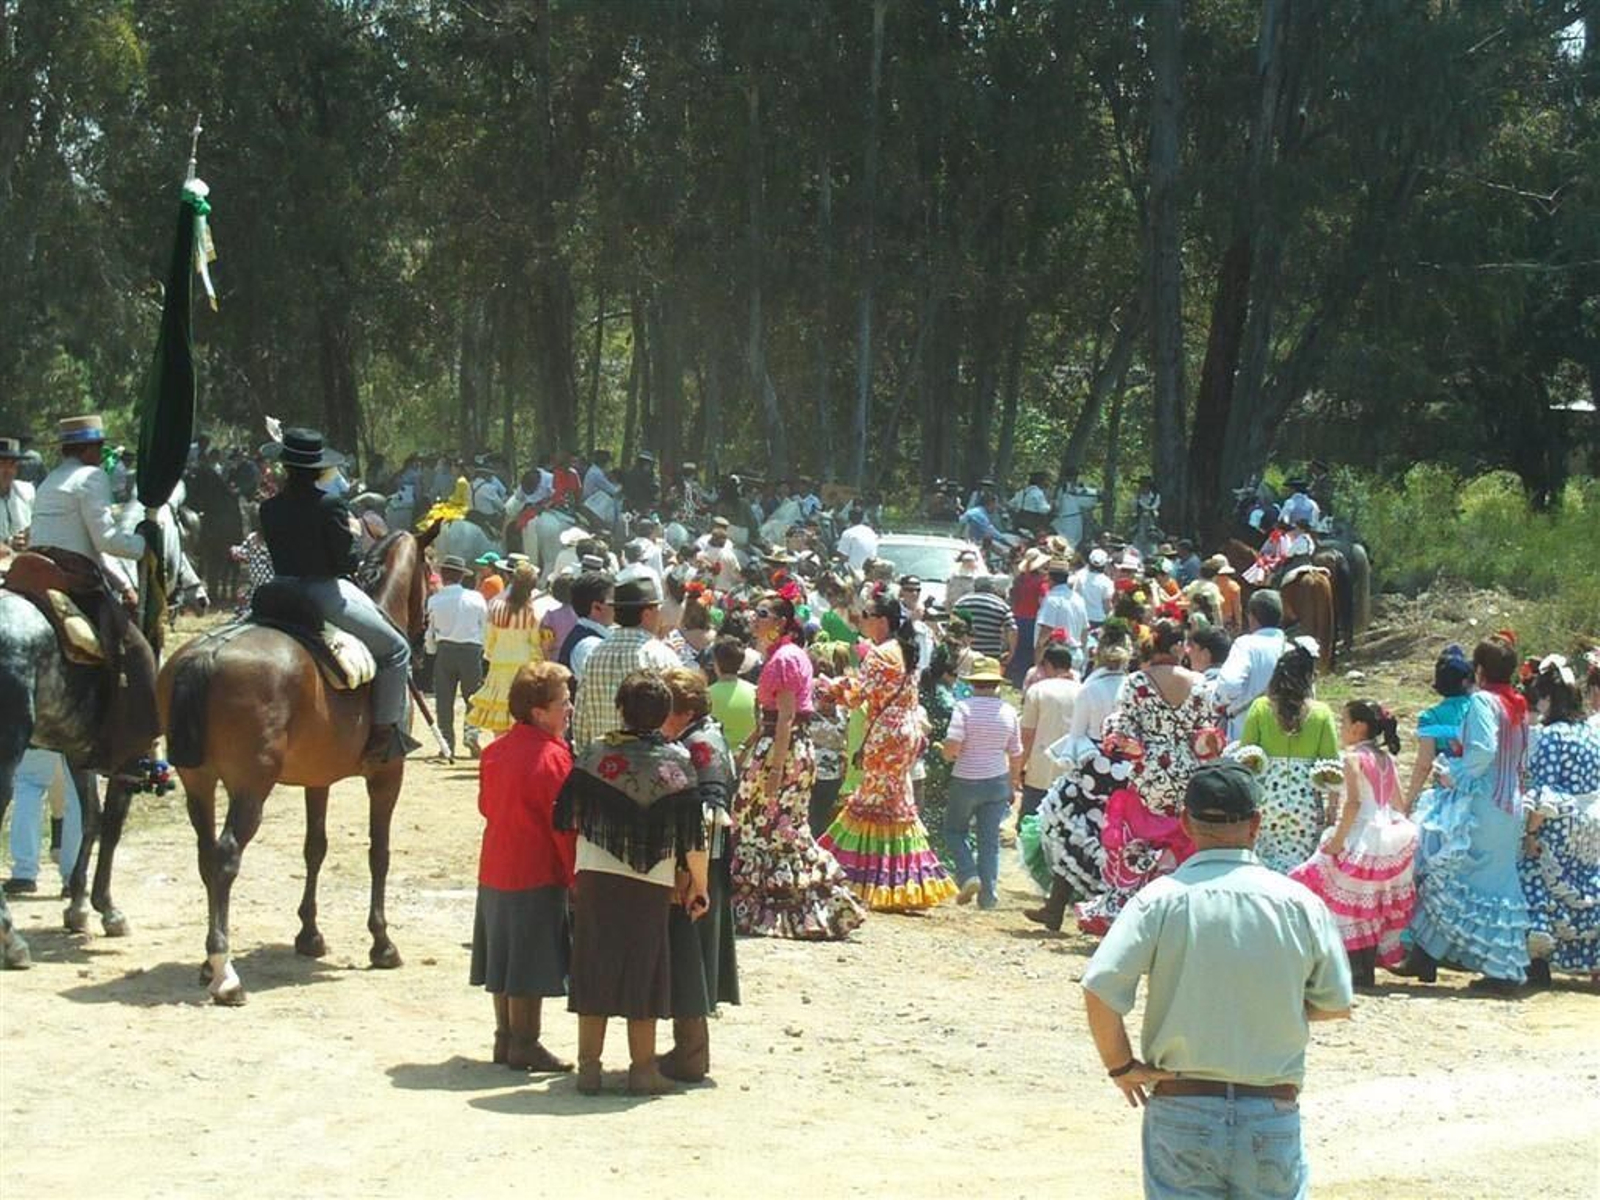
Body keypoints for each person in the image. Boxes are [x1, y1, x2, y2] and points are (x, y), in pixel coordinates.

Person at [1082, 760, 1352, 1200]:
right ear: (1256, 824)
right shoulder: (1300, 904)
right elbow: (1337, 1003)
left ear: (1185, 822)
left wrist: (1122, 1066)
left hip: (1182, 1105)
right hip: (1270, 1109)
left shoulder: (1160, 900)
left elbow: (1099, 989)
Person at [556, 671, 704, 1095]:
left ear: (620, 708)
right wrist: (698, 884)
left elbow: (570, 815)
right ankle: (642, 1070)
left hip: (596, 873)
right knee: (645, 967)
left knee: (593, 963)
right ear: (662, 715)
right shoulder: (677, 763)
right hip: (652, 880)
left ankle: (589, 1069)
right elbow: (693, 835)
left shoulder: (594, 754)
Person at [26, 414, 161, 766]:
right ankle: (134, 742)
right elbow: (105, 541)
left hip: (38, 572)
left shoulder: (49, 481)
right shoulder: (91, 478)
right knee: (138, 651)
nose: (102, 455)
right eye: (99, 448)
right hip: (76, 581)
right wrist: (144, 543)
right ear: (88, 448)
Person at [731, 594, 865, 939]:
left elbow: (787, 716)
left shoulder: (786, 658)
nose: (754, 619)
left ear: (780, 622)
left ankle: (795, 909)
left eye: (762, 614)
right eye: (754, 612)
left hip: (783, 752)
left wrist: (774, 769)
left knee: (775, 828)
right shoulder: (782, 655)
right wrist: (747, 747)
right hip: (781, 747)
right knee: (768, 826)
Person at [1402, 634, 1531, 993]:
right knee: (1496, 882)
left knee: (1441, 868)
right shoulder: (1518, 705)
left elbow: (1481, 751)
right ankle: (1488, 963)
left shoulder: (1483, 703)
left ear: (1479, 670)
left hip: (1483, 804)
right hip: (1511, 805)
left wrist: (1453, 774)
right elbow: (1523, 759)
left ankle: (1428, 952)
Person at [1075, 619, 1221, 935]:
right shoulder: (1200, 683)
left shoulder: (1136, 682)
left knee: (1142, 837)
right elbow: (1207, 732)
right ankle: (1181, 911)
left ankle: (1136, 908)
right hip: (1189, 771)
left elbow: (1123, 731)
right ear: (1175, 646)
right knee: (1182, 836)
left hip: (1147, 771)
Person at [470, 662, 577, 1074]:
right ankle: (526, 1042)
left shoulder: (495, 750)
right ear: (538, 711)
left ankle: (505, 1037)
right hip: (535, 869)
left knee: (502, 955)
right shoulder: (554, 759)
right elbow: (563, 827)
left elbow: (485, 806)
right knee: (528, 960)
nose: (568, 710)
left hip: (495, 865)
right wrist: (574, 877)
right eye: (562, 703)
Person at [820, 589, 956, 913]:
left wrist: (830, 687)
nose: (861, 621)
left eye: (866, 615)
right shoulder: (903, 650)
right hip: (906, 733)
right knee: (895, 805)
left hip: (886, 737)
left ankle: (855, 875)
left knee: (871, 803)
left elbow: (857, 696)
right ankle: (904, 883)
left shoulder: (880, 654)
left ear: (881, 621)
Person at [1290, 700, 1418, 986]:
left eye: (1344, 723)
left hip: (1360, 834)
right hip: (1388, 834)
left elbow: (1354, 804)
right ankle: (1366, 969)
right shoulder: (1386, 760)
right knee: (1370, 904)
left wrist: (1337, 840)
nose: (1342, 729)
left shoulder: (1352, 758)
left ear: (1359, 727)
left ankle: (1350, 967)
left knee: (1338, 898)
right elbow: (1397, 802)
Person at [656, 667, 740, 1083]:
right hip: (707, 863)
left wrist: (694, 877)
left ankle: (690, 1054)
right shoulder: (706, 736)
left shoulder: (700, 745)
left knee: (690, 955)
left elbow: (710, 814)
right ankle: (688, 1049)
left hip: (702, 864)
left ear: (685, 710)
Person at [1517, 656, 1600, 985]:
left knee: (1537, 881)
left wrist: (1531, 832)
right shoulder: (1592, 734)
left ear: (1549, 699)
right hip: (1592, 821)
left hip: (1559, 820)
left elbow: (1545, 792)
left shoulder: (1550, 737)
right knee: (1586, 885)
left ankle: (1538, 962)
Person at [1238, 639, 1342, 873]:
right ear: (1309, 677)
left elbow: (1245, 758)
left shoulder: (1260, 708)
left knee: (1264, 867)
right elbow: (1332, 766)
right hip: (1305, 802)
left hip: (1266, 800)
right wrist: (1332, 811)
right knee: (1301, 868)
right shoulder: (1321, 713)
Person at [938, 657, 1022, 909]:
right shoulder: (1008, 712)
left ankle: (968, 873)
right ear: (996, 684)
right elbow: (1016, 753)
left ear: (973, 683)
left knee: (953, 831)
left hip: (966, 778)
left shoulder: (963, 708)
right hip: (997, 779)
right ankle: (988, 896)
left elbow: (953, 747)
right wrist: (1012, 784)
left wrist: (944, 754)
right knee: (989, 841)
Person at [570, 577, 679, 750]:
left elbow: (581, 719)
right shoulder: (661, 656)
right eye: (657, 608)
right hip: (648, 762)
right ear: (647, 613)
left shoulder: (594, 655)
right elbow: (676, 715)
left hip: (604, 764)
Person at [467, 562, 543, 739]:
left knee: (500, 711)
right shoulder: (531, 611)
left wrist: (492, 655)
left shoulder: (497, 606)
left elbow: (489, 638)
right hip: (524, 664)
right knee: (522, 709)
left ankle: (500, 748)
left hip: (499, 663)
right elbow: (535, 642)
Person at [426, 554, 489, 760]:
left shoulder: (435, 600)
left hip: (445, 649)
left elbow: (430, 631)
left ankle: (447, 743)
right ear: (462, 576)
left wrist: (431, 651)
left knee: (444, 699)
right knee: (473, 697)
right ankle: (471, 735)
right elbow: (484, 627)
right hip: (471, 650)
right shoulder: (476, 598)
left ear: (443, 576)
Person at [1402, 644, 1474, 810]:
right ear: (1466, 680)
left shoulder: (1431, 718)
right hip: (1480, 791)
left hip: (1447, 795)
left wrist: (1408, 801)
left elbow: (1424, 765)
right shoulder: (1480, 710)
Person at [1018, 642, 1080, 826]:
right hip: (1070, 773)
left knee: (1030, 829)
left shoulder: (1038, 690)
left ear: (1048, 665)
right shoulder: (1084, 691)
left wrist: (1017, 769)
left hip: (1039, 772)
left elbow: (1027, 735)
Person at [1213, 589, 1288, 741]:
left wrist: (1217, 702)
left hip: (1246, 734)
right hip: (1283, 736)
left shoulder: (1245, 644)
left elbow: (1229, 684)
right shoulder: (1292, 649)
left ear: (1252, 617)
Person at [708, 636, 758, 753]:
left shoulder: (707, 695)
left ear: (716, 663)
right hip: (747, 759)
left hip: (718, 759)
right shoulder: (755, 692)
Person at [557, 570, 614, 673]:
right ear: (596, 607)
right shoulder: (589, 646)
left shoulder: (589, 635)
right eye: (614, 601)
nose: (619, 605)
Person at [1035, 557, 1088, 666]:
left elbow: (1045, 632)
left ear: (1050, 577)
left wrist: (1037, 662)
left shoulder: (1052, 599)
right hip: (1076, 653)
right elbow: (1084, 630)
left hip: (1057, 658)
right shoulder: (1078, 598)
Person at [952, 574, 1016, 664]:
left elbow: (953, 629)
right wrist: (1011, 653)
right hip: (991, 657)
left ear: (974, 587)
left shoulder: (961, 603)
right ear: (992, 588)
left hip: (965, 655)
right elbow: (1012, 630)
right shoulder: (1001, 605)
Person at [1007, 548, 1047, 687]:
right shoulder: (1041, 582)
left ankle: (1015, 678)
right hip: (1033, 619)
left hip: (1017, 617)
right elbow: (1043, 601)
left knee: (1017, 649)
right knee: (1029, 651)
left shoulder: (1019, 579)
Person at [0, 435, 35, 552]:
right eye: (2, 463)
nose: (8, 470)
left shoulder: (27, 492)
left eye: (13, 464)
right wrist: (8, 543)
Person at [1074, 547, 1116, 628]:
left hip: (1078, 615)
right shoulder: (1107, 582)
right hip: (1097, 619)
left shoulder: (1079, 575)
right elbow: (1106, 605)